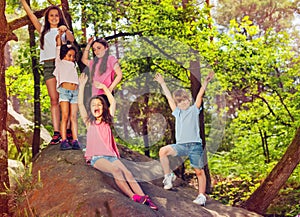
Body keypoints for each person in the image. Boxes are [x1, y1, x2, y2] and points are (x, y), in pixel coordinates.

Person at [78, 73, 158, 210]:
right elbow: (80, 103)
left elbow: (113, 102)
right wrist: (82, 86)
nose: (96, 106)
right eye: (93, 105)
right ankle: (133, 196)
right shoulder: (89, 122)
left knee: (127, 173)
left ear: (103, 108)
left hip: (111, 156)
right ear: (91, 109)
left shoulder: (107, 122)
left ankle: (144, 197)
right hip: (97, 158)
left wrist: (104, 87)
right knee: (116, 170)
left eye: (99, 104)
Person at [154, 71, 214, 206]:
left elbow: (199, 95)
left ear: (188, 99)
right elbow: (169, 98)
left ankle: (201, 196)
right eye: (179, 102)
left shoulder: (194, 110)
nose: (183, 103)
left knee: (199, 171)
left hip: (194, 146)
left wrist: (205, 82)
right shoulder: (177, 112)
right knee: (163, 151)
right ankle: (168, 176)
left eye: (185, 100)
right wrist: (163, 83)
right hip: (180, 146)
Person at [21, 0, 75, 145]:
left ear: (60, 17)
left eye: (56, 15)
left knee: (66, 99)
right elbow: (31, 16)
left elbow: (72, 39)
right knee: (54, 99)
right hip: (49, 66)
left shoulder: (63, 31)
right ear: (47, 17)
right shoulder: (43, 30)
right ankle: (57, 132)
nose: (54, 18)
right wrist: (23, 2)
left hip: (63, 66)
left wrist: (65, 30)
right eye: (51, 15)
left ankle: (68, 130)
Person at [53, 31, 81, 150]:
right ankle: (64, 140)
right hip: (64, 91)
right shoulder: (59, 63)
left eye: (73, 56)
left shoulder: (73, 65)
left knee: (73, 117)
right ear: (63, 55)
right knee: (65, 116)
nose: (71, 58)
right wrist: (60, 35)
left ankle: (75, 140)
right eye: (69, 55)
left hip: (75, 93)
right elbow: (58, 46)